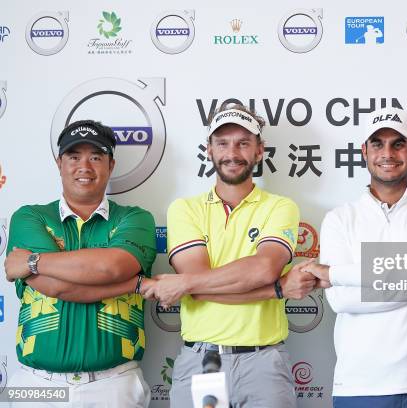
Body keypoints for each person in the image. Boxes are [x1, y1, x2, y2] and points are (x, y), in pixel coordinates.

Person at [142, 103, 316, 408]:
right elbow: (197, 291)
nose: (232, 153)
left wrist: (186, 284)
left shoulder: (280, 207)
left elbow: (263, 268)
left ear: (259, 151)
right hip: (201, 360)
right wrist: (277, 290)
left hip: (264, 362)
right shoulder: (184, 208)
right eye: (222, 143)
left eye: (243, 143)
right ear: (208, 150)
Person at [302, 107, 407, 408]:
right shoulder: (339, 218)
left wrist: (334, 274)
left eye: (398, 143)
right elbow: (341, 301)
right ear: (364, 151)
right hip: (358, 385)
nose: (388, 153)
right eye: (377, 143)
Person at [3, 120, 157, 407]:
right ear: (59, 162)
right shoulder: (29, 217)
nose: (84, 166)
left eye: (96, 157)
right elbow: (54, 286)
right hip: (37, 384)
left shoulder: (134, 218)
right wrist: (135, 284)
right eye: (74, 156)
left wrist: (32, 261)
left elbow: (110, 268)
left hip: (114, 383)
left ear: (111, 165)